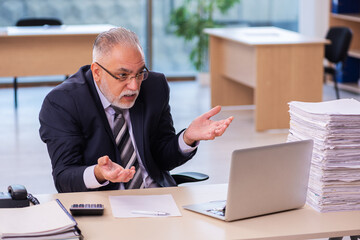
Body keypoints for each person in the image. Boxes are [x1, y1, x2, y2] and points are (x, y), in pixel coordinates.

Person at [39, 27, 233, 193]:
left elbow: (161, 158)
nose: (134, 86)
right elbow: (64, 177)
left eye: (140, 73)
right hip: (105, 204)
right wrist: (98, 173)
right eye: (123, 75)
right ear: (97, 72)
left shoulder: (154, 86)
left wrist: (187, 138)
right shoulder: (62, 103)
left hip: (158, 198)